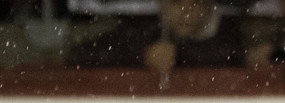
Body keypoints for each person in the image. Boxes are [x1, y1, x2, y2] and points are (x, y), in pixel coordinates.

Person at [65, 0, 244, 75]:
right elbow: (80, 55)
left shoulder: (227, 33)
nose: (187, 12)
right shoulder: (141, 31)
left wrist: (179, 54)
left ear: (206, 7)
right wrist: (143, 55)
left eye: (195, 2)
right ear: (161, 5)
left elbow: (234, 56)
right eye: (177, 2)